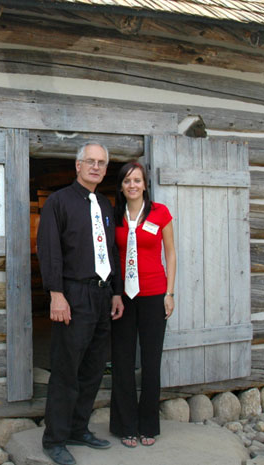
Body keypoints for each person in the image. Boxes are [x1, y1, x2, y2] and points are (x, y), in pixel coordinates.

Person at [37, 142, 124, 465]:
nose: (96, 167)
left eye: (102, 162)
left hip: (103, 296)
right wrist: (56, 293)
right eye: (90, 161)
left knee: (93, 368)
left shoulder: (104, 203)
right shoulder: (58, 202)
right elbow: (49, 249)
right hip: (73, 295)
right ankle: (55, 439)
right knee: (66, 370)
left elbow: (110, 252)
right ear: (77, 165)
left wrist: (115, 292)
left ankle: (78, 428)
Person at [109, 161, 176, 448]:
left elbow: (171, 254)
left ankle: (148, 424)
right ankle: (126, 425)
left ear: (145, 184)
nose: (132, 185)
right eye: (127, 181)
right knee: (123, 362)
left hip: (153, 295)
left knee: (151, 362)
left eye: (137, 180)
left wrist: (169, 293)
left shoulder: (160, 213)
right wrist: (113, 293)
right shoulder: (114, 215)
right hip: (123, 298)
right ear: (121, 186)